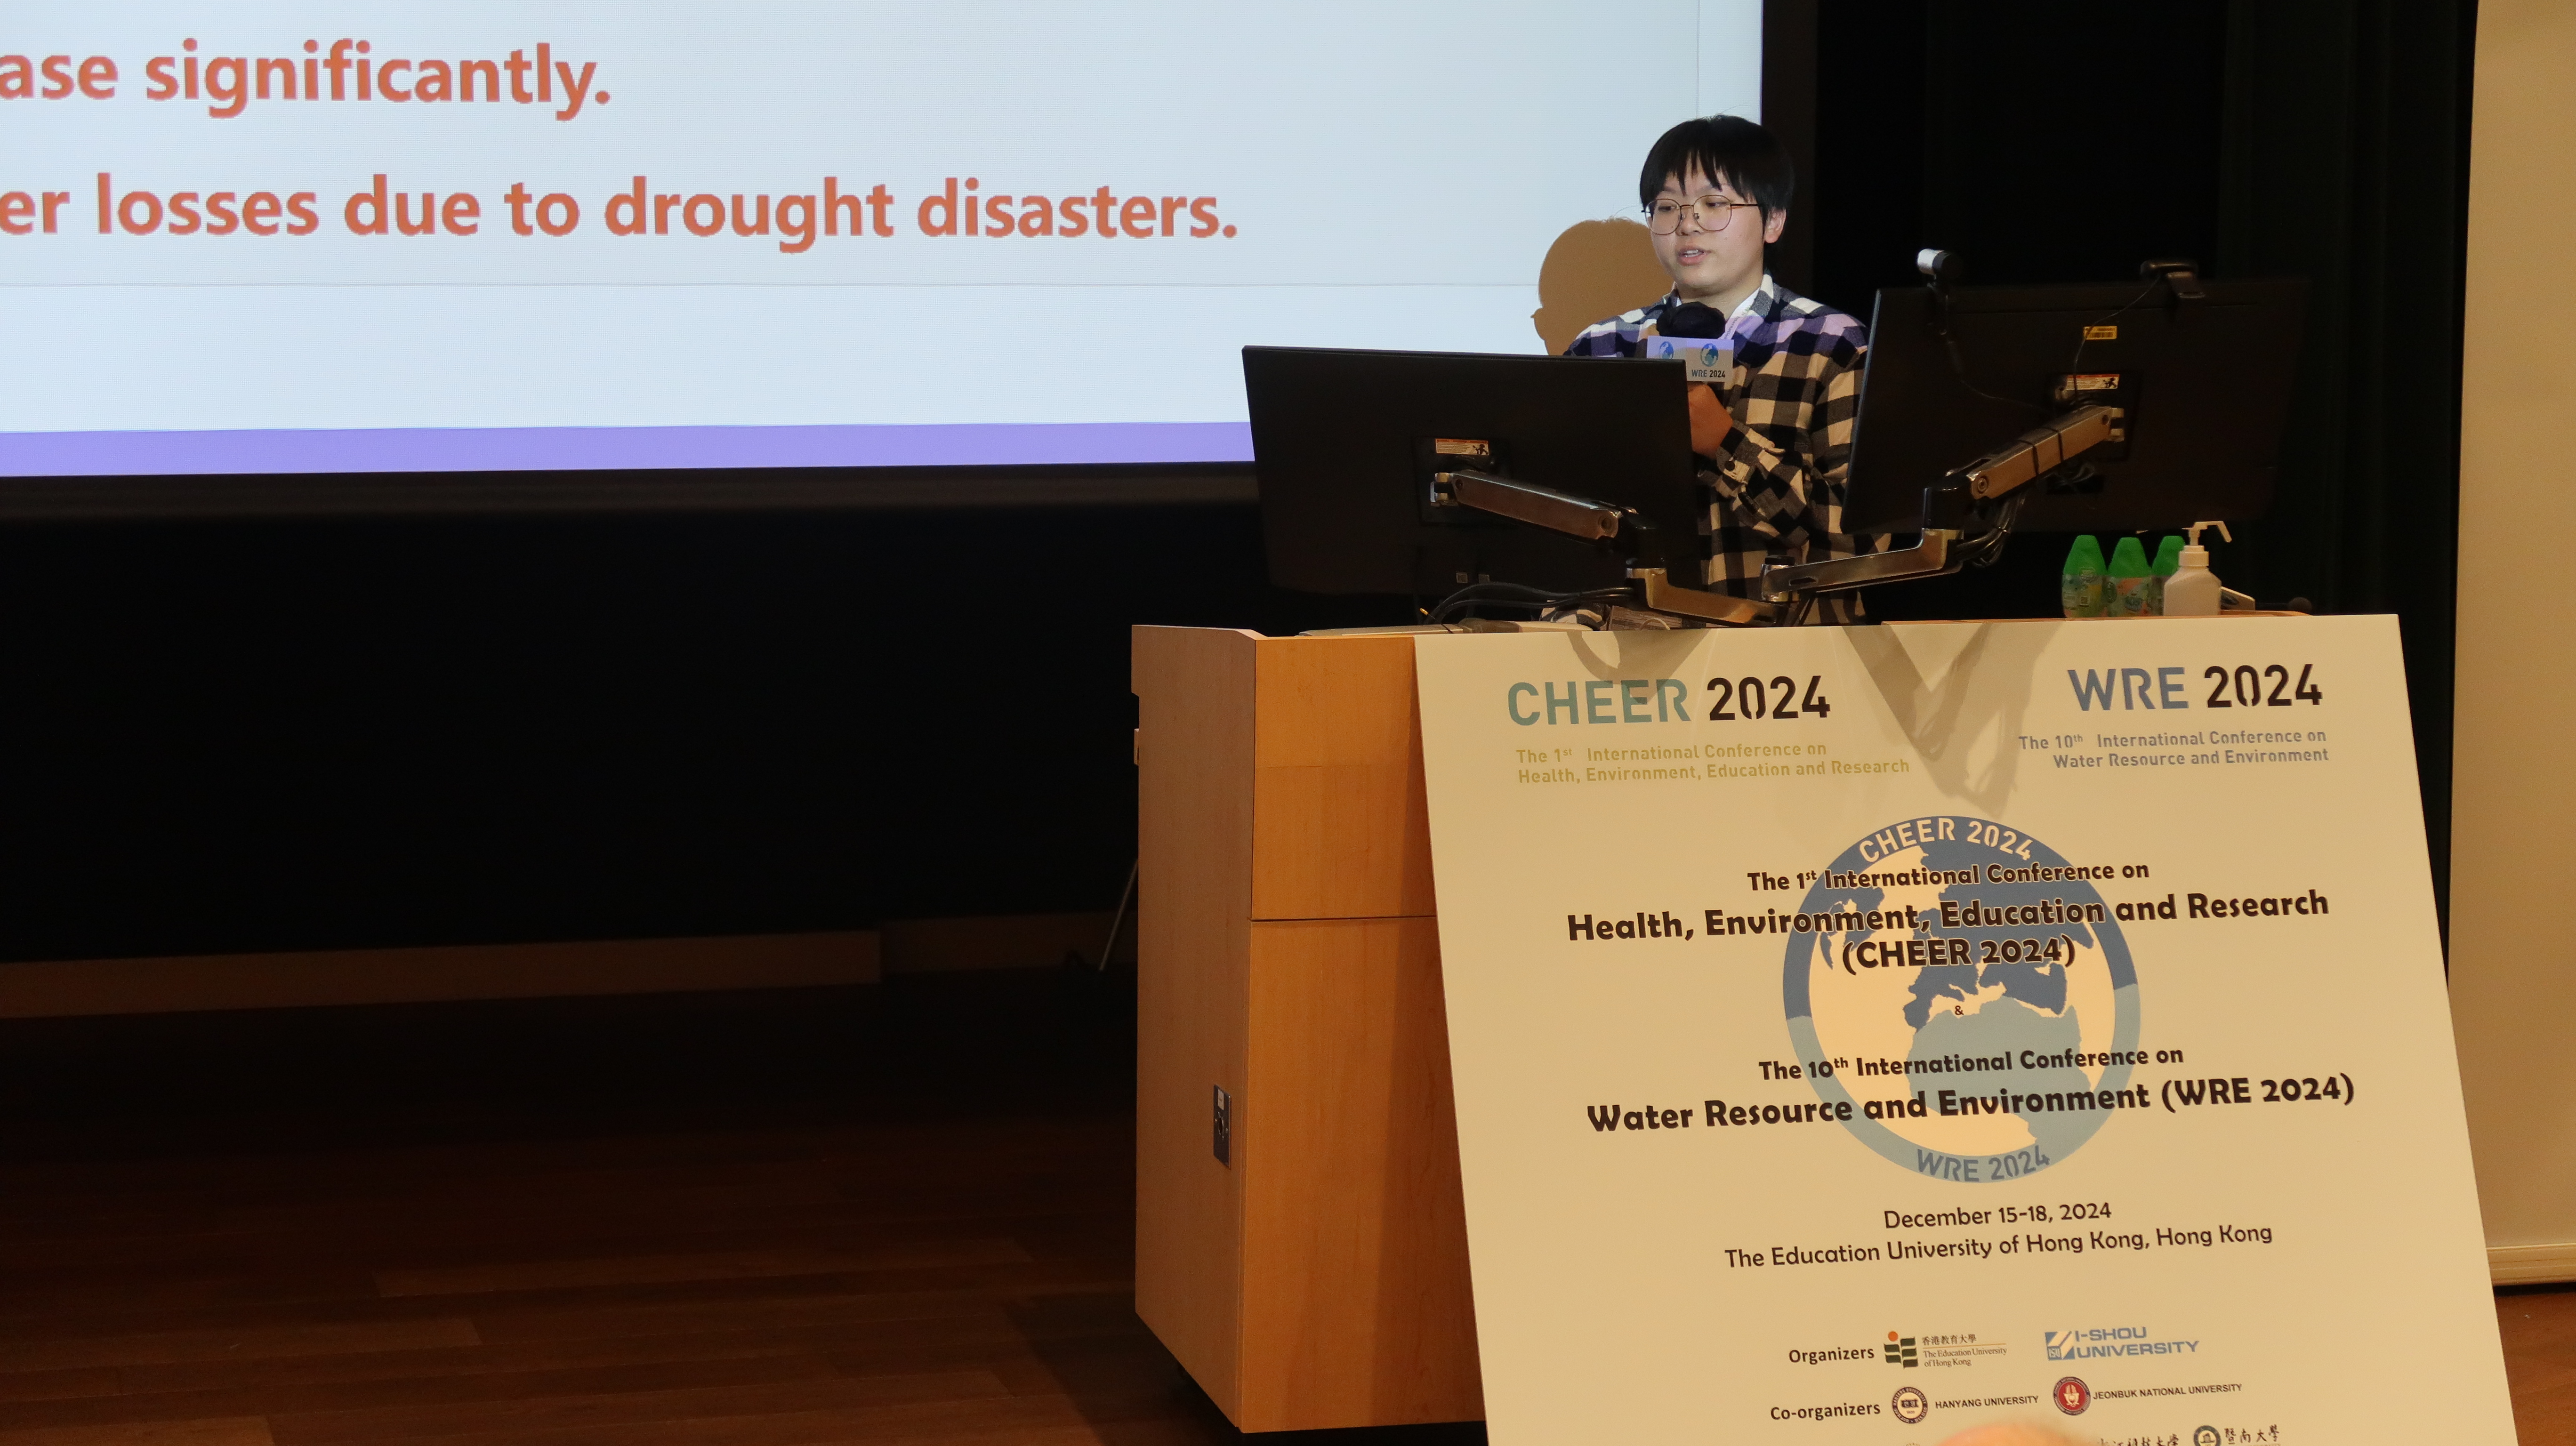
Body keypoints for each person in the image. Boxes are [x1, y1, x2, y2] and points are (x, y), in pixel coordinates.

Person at [1563, 114, 1878, 618]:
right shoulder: (1603, 349)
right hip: (1630, 646)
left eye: (1714, 204)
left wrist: (1725, 442)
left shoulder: (1830, 344)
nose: (1686, 224)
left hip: (1786, 649)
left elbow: (1861, 541)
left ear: (1773, 221)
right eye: (1667, 207)